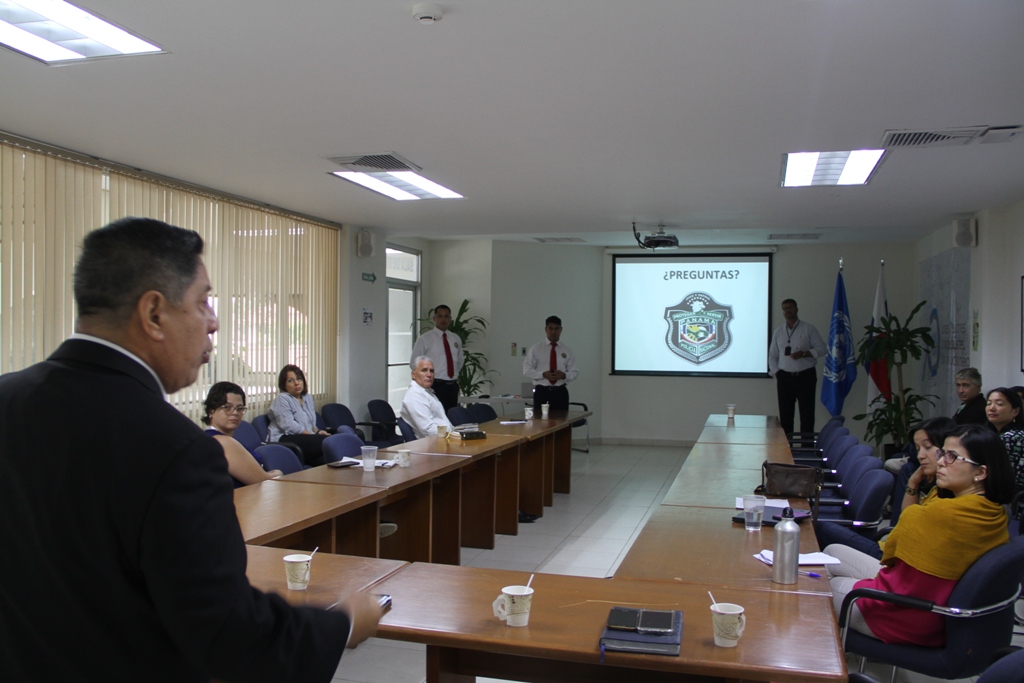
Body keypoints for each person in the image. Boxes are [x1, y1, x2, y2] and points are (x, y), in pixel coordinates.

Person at [0, 217, 381, 682]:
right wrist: (341, 624)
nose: (214, 322)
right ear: (154, 313)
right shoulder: (175, 448)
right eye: (203, 301)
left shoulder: (8, 399)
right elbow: (227, 632)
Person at [824, 424, 1012, 647]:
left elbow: (897, 573)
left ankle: (823, 656)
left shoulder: (941, 513)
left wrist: (861, 584)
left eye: (952, 457)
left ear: (980, 472)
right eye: (942, 453)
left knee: (818, 586)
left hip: (903, 616)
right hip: (932, 606)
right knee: (831, 552)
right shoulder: (994, 511)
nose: (940, 462)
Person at [814, 417, 955, 557]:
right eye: (918, 449)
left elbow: (909, 528)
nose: (920, 456)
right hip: (893, 549)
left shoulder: (952, 499)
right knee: (821, 529)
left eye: (928, 447)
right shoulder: (937, 489)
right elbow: (906, 521)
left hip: (893, 557)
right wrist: (913, 482)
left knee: (820, 528)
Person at [202, 381, 283, 486]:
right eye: (227, 407)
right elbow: (261, 481)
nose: (235, 412)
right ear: (211, 410)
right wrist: (278, 473)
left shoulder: (209, 437)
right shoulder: (222, 442)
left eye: (240, 408)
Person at [768, 298, 827, 435]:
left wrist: (804, 353)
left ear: (796, 309)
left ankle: (806, 446)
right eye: (785, 308)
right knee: (785, 416)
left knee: (807, 415)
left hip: (805, 376)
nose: (788, 310)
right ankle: (786, 446)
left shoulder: (808, 329)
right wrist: (777, 372)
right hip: (785, 377)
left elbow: (822, 349)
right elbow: (772, 355)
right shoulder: (778, 332)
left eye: (790, 307)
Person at [268, 364, 330, 466]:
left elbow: (309, 423)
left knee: (329, 458)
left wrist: (317, 431)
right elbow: (289, 425)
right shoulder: (282, 399)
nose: (296, 383)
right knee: (328, 443)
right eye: (290, 380)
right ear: (284, 385)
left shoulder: (307, 397)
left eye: (299, 379)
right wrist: (313, 436)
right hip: (285, 439)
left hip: (304, 438)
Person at [410, 304, 463, 412]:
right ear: (434, 318)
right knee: (435, 417)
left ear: (450, 319)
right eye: (440, 316)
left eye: (446, 316)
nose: (443, 319)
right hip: (434, 386)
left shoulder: (455, 338)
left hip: (452, 386)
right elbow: (414, 364)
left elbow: (460, 361)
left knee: (452, 416)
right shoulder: (425, 339)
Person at [523, 315, 578, 413]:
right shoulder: (536, 348)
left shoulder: (567, 350)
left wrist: (564, 375)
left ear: (561, 329)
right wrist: (543, 374)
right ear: (546, 329)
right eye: (551, 328)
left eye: (556, 328)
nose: (553, 332)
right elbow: (526, 370)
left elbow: (575, 372)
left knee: (562, 421)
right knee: (540, 421)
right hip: (542, 391)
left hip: (560, 392)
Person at [400, 356, 454, 439]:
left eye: (431, 371)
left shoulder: (427, 392)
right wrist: (453, 433)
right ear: (413, 374)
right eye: (424, 370)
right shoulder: (414, 395)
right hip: (433, 443)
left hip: (443, 439)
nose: (429, 375)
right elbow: (429, 431)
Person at [985, 387, 1024, 490]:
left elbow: (1004, 479)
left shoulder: (1012, 437)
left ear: (1015, 411)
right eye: (989, 403)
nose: (991, 408)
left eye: (999, 404)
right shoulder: (997, 435)